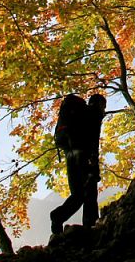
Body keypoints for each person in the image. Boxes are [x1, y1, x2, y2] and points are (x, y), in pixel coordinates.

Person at [50, 93, 107, 234]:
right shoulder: (94, 114)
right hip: (84, 156)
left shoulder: (77, 115)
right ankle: (91, 227)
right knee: (90, 192)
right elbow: (93, 142)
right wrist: (94, 169)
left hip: (70, 155)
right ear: (100, 104)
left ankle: (58, 217)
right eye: (104, 106)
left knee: (78, 194)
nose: (104, 110)